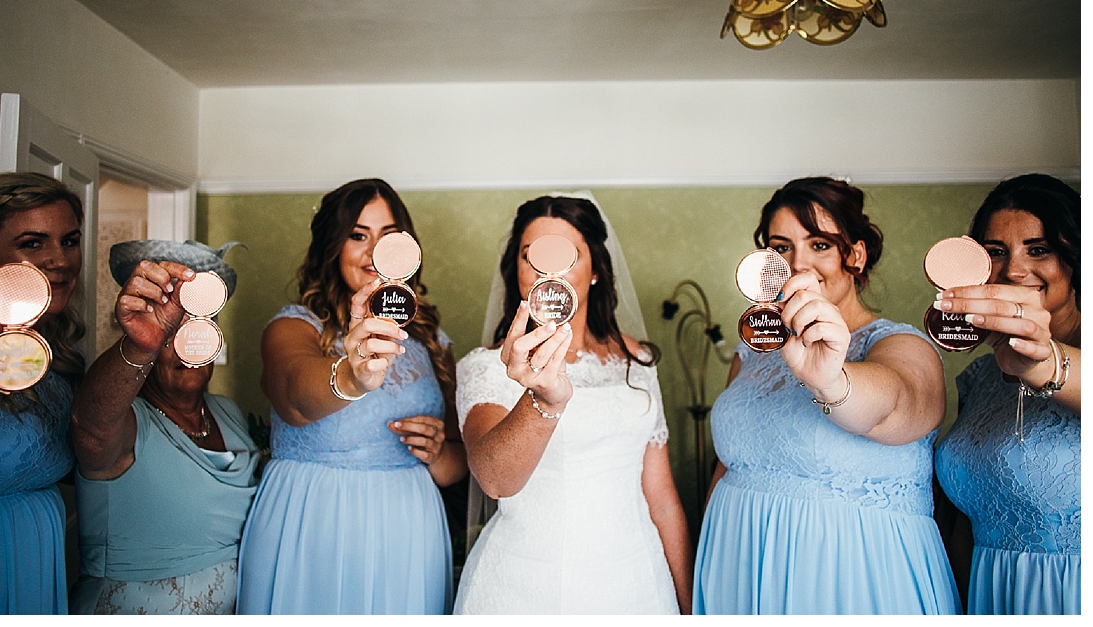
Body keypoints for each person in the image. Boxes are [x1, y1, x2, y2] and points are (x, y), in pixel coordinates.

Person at [695, 176, 954, 614]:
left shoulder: (901, 345)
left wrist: (831, 380)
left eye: (819, 245)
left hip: (846, 578)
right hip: (734, 568)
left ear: (854, 254)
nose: (797, 264)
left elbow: (893, 407)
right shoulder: (752, 352)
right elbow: (728, 464)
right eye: (781, 247)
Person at [452, 194, 691, 614]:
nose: (550, 273)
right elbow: (495, 480)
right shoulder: (486, 368)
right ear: (517, 272)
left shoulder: (637, 360)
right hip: (526, 585)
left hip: (637, 582)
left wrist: (690, 606)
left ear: (595, 269)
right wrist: (544, 398)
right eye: (533, 257)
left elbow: (662, 495)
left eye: (566, 255)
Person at [239, 179, 465, 614]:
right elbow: (295, 399)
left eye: (388, 237)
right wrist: (353, 375)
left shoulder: (432, 340)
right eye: (358, 235)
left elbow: (460, 458)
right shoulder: (293, 327)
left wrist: (438, 454)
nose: (373, 253)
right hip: (313, 518)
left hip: (408, 524)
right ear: (332, 244)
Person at [69, 241, 262, 614]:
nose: (183, 347)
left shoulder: (228, 413)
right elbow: (89, 425)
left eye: (197, 329)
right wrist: (141, 344)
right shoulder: (126, 421)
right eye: (168, 334)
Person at [934, 174, 1080, 614]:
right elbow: (967, 520)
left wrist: (1044, 361)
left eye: (1039, 249)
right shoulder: (980, 375)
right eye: (997, 252)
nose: (1015, 270)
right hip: (987, 594)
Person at [0, 172, 79, 614]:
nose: (58, 260)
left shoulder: (60, 356)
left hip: (38, 566)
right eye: (33, 243)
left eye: (69, 241)